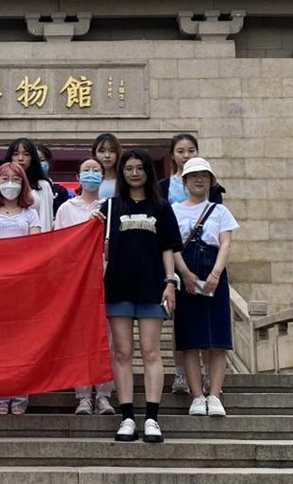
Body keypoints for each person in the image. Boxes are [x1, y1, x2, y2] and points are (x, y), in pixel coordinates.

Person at [95, 149, 181, 443]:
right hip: (117, 286)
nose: (134, 173)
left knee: (150, 351)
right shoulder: (110, 206)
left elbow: (167, 248)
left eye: (139, 168)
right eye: (129, 168)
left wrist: (170, 282)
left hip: (152, 286)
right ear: (122, 172)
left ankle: (153, 418)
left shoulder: (162, 207)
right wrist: (91, 221)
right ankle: (127, 417)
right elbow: (92, 242)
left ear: (148, 171)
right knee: (121, 352)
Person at [158, 133, 225, 395]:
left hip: (207, 261)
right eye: (180, 151)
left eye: (191, 150)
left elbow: (221, 230)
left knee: (209, 322)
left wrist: (216, 271)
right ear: (172, 155)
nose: (185, 155)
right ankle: (181, 373)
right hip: (175, 257)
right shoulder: (163, 187)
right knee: (182, 319)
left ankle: (209, 375)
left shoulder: (212, 189)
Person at [172, 157, 239, 418]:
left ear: (211, 181)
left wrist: (215, 274)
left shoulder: (220, 211)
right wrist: (185, 273)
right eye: (193, 176)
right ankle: (197, 396)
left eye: (204, 176)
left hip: (214, 274)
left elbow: (225, 244)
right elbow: (172, 246)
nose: (199, 180)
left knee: (217, 339)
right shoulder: (174, 210)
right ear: (185, 181)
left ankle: (215, 395)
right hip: (186, 273)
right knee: (190, 339)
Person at [0, 162, 41, 414]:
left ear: (23, 183)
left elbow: (36, 247)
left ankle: (21, 393)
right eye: (4, 179)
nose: (10, 184)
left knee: (22, 341)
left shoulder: (31, 214)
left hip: (23, 285)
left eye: (15, 179)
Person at [54, 157, 115, 416]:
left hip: (107, 277)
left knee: (107, 338)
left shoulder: (111, 207)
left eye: (96, 170)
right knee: (79, 338)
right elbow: (59, 245)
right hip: (76, 281)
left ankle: (103, 395)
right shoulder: (66, 208)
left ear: (103, 176)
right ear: (78, 177)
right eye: (86, 170)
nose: (91, 174)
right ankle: (82, 396)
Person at [4, 137, 54, 233]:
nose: (20, 158)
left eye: (26, 154)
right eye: (15, 154)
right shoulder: (0, 183)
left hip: (34, 238)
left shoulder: (43, 185)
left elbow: (46, 220)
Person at [36, 143, 71, 217]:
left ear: (49, 162)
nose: (38, 164)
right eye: (34, 161)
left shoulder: (60, 191)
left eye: (42, 160)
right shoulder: (22, 189)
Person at [92, 133, 123, 199]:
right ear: (95, 154)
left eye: (112, 151)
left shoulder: (124, 181)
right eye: (102, 151)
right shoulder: (88, 180)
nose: (107, 155)